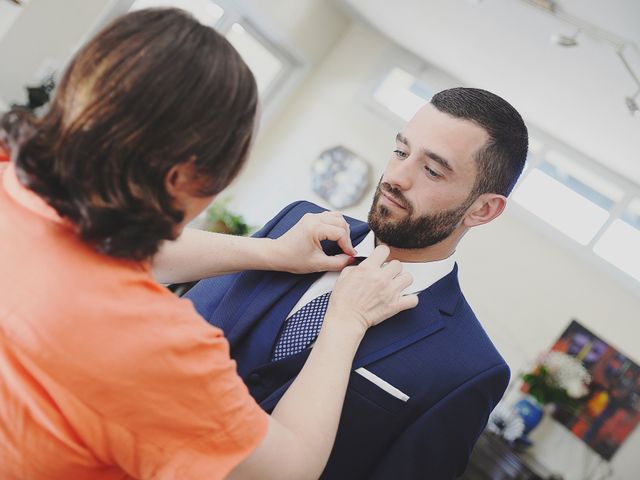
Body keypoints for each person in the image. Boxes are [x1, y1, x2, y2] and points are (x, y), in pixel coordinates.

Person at [0, 9, 418, 480]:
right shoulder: (149, 343)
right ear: (181, 177)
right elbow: (286, 469)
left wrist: (272, 253)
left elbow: (91, 254)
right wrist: (346, 321)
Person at [186, 87, 529, 479]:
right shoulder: (298, 225)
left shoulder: (469, 369)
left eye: (432, 170)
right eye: (401, 151)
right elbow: (175, 325)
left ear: (483, 209)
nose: (396, 177)